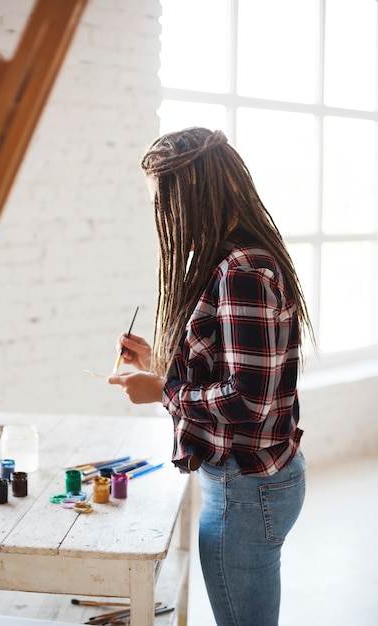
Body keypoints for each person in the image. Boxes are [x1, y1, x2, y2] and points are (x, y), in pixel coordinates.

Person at [108, 127, 315, 626]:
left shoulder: (243, 268)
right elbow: (232, 367)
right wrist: (162, 362)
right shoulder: (231, 257)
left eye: (161, 199)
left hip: (248, 488)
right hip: (246, 482)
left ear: (187, 194)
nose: (159, 213)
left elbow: (248, 401)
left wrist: (164, 391)